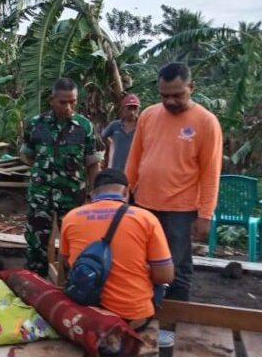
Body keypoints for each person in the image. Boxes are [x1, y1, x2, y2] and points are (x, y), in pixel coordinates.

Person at [124, 62, 222, 347]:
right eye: (164, 95)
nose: (170, 101)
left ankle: (170, 324)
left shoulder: (206, 122)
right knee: (141, 263)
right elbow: (135, 158)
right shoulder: (148, 115)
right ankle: (143, 315)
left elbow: (210, 172)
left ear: (191, 88)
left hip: (181, 210)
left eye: (177, 95)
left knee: (177, 268)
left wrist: (205, 214)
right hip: (144, 205)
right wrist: (124, 192)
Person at [61, 169, 174, 326]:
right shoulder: (146, 218)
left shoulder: (71, 217)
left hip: (84, 312)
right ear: (127, 191)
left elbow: (67, 262)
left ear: (92, 194)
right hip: (130, 317)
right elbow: (165, 276)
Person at [20, 78, 102, 276]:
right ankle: (34, 282)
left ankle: (74, 282)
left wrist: (94, 194)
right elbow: (27, 154)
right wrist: (42, 171)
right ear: (52, 100)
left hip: (73, 195)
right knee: (36, 242)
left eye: (72, 101)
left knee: (75, 242)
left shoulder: (85, 127)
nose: (68, 106)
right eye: (63, 102)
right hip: (41, 194)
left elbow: (93, 163)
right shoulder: (36, 124)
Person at [101, 94, 141, 170]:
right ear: (123, 109)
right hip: (117, 168)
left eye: (135, 109)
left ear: (138, 110)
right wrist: (110, 146)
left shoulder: (141, 126)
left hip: (136, 169)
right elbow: (103, 136)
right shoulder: (115, 125)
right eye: (129, 109)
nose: (132, 112)